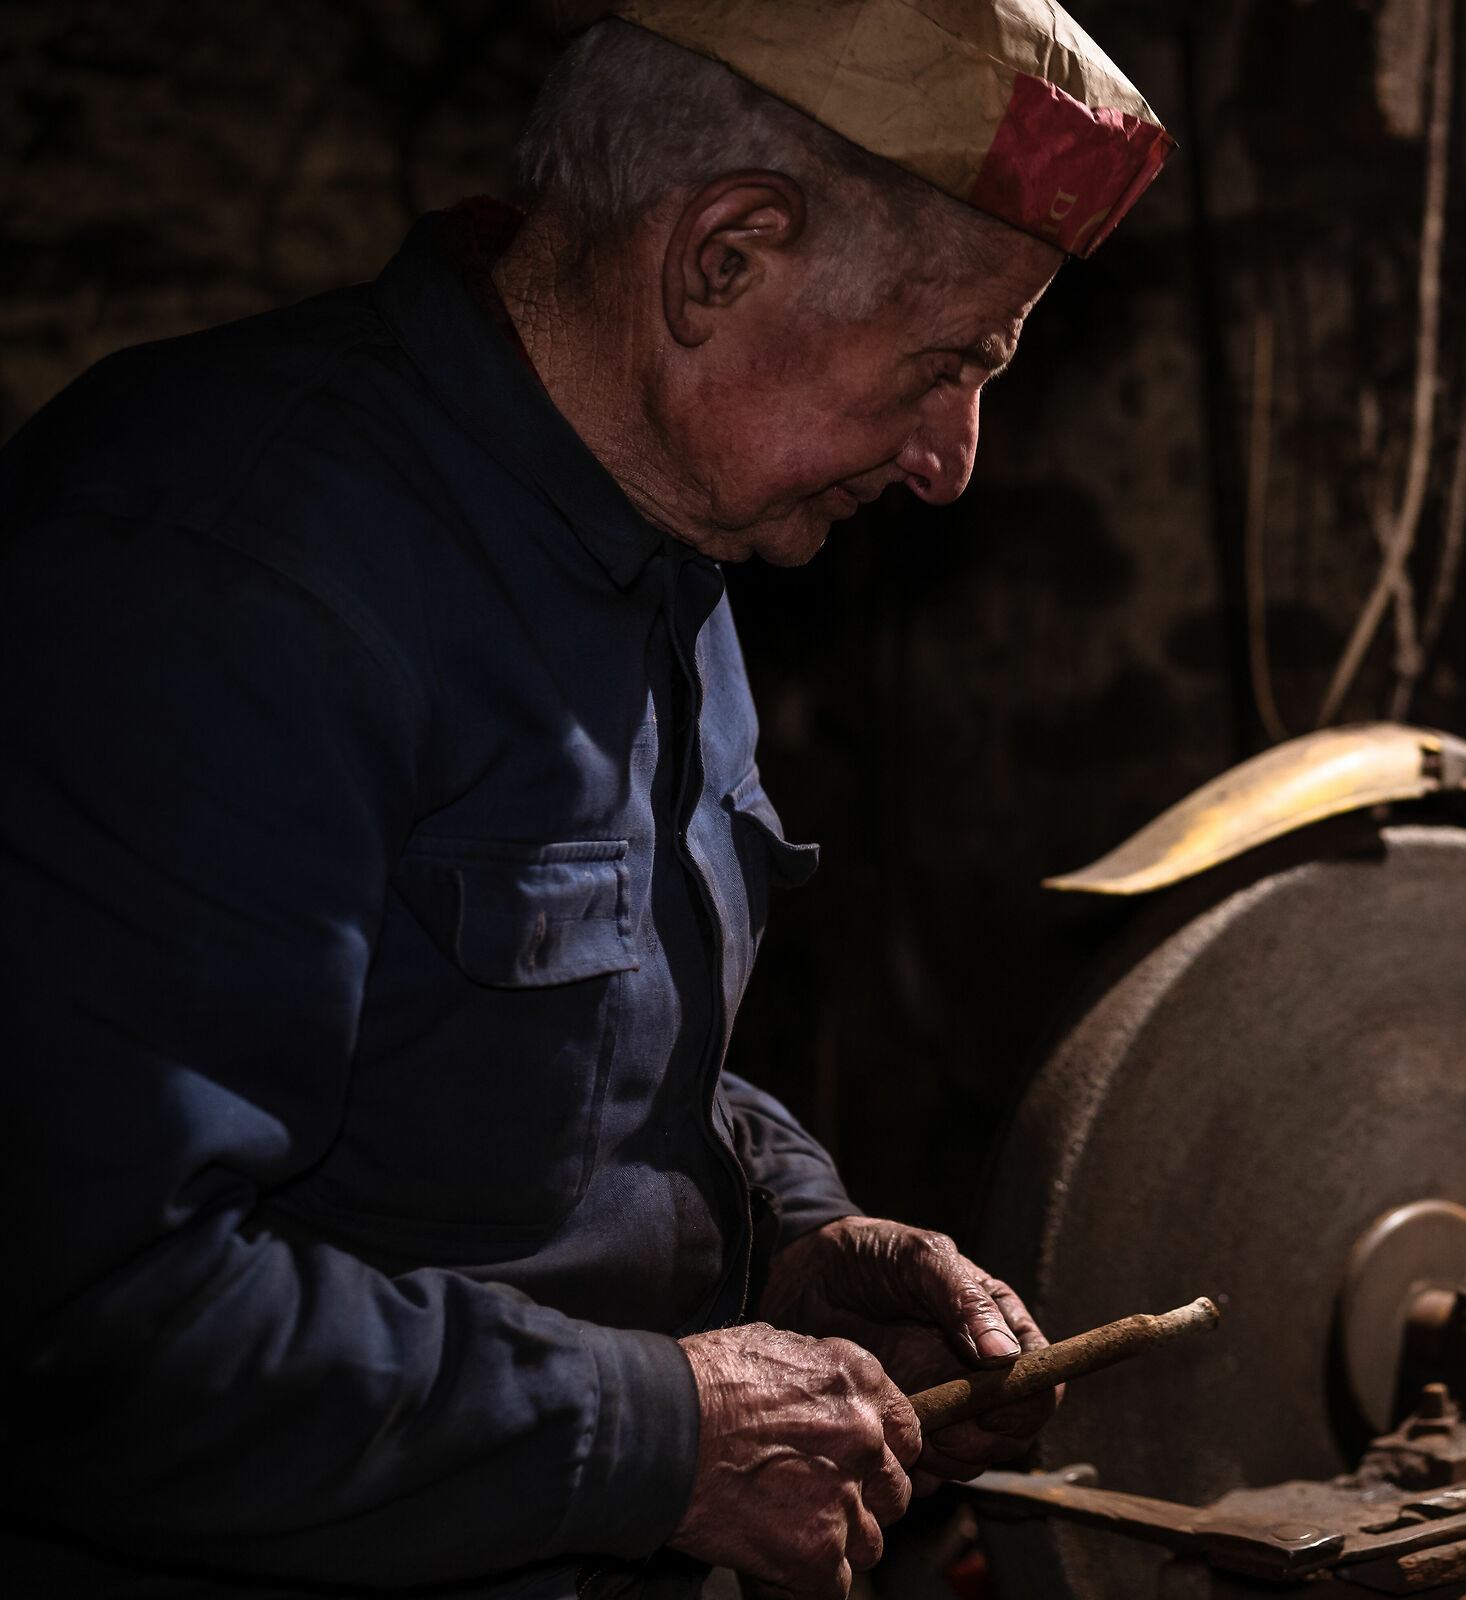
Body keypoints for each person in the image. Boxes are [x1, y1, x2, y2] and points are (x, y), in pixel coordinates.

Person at [0, 4, 1169, 1596]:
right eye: (949, 363)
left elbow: (559, 1057)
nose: (955, 458)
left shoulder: (675, 533)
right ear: (724, 256)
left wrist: (792, 1242)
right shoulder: (219, 572)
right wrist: (657, 1433)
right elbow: (79, 1319)